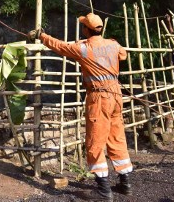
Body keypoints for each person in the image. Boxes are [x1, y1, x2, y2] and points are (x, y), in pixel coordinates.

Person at [28, 13, 132, 200]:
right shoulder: (114, 44)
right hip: (116, 96)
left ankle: (103, 191)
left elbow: (59, 46)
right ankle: (126, 183)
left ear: (86, 30)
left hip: (99, 97)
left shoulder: (83, 49)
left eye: (83, 26)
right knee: (116, 136)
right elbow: (123, 56)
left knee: (95, 141)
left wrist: (41, 36)